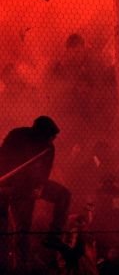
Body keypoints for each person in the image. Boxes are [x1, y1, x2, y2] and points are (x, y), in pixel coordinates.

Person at [0, 116, 72, 272]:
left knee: (63, 195)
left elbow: (45, 171)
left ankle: (53, 236)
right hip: (14, 186)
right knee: (23, 227)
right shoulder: (17, 136)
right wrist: (10, 185)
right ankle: (21, 264)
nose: (52, 141)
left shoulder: (48, 148)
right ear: (40, 134)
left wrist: (39, 187)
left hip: (33, 186)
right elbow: (3, 159)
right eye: (50, 137)